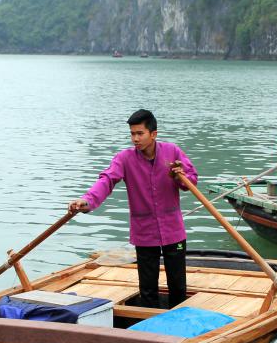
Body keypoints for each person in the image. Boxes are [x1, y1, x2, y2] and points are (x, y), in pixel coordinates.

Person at [68, 109, 198, 308]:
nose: (135, 139)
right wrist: (86, 201)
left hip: (173, 230)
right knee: (147, 289)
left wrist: (180, 176)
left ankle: (181, 325)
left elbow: (191, 182)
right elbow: (107, 180)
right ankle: (148, 331)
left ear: (153, 134)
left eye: (140, 134)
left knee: (178, 286)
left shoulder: (172, 152)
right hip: (144, 231)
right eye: (132, 134)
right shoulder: (124, 158)